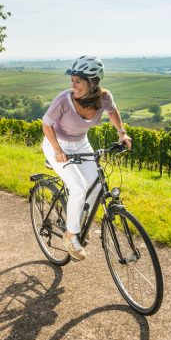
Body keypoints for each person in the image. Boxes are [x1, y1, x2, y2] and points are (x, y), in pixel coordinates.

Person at [41, 55, 132, 261]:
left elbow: (113, 111)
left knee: (98, 186)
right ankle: (70, 235)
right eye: (72, 80)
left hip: (81, 144)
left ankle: (79, 222)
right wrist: (57, 150)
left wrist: (122, 132)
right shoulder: (64, 99)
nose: (73, 85)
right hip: (56, 144)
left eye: (78, 81)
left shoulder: (104, 98)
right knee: (78, 188)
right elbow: (46, 125)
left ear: (93, 82)